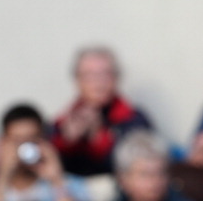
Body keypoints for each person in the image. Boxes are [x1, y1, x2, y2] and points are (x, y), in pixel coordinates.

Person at [51, 47, 152, 176]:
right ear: (77, 80)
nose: (98, 82)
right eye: (90, 75)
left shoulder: (135, 120)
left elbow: (142, 170)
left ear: (116, 78)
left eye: (105, 74)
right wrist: (67, 142)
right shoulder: (62, 123)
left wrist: (98, 137)